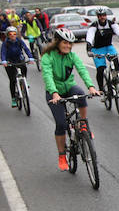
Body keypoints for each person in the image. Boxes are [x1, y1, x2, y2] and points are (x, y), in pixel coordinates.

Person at [41, 29, 99, 171]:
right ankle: (62, 155)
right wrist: (54, 93)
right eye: (65, 43)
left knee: (80, 94)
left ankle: (83, 124)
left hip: (69, 87)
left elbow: (82, 70)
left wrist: (91, 87)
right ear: (57, 43)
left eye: (70, 44)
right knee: (61, 124)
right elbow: (47, 75)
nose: (68, 46)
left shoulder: (72, 56)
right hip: (54, 92)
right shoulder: (48, 56)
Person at [85, 8, 119, 94]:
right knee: (100, 69)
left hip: (108, 47)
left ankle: (115, 80)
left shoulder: (111, 24)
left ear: (106, 16)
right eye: (100, 16)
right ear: (97, 17)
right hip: (97, 49)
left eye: (104, 15)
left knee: (116, 63)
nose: (102, 17)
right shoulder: (94, 26)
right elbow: (89, 38)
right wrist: (89, 50)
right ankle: (101, 89)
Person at [0, 26, 35, 108]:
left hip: (19, 59)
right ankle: (13, 99)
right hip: (9, 62)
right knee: (12, 80)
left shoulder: (19, 41)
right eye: (10, 34)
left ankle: (24, 80)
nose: (13, 35)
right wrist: (4, 60)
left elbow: (26, 49)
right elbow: (3, 52)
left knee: (24, 67)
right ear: (8, 35)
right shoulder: (6, 43)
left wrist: (30, 57)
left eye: (14, 34)